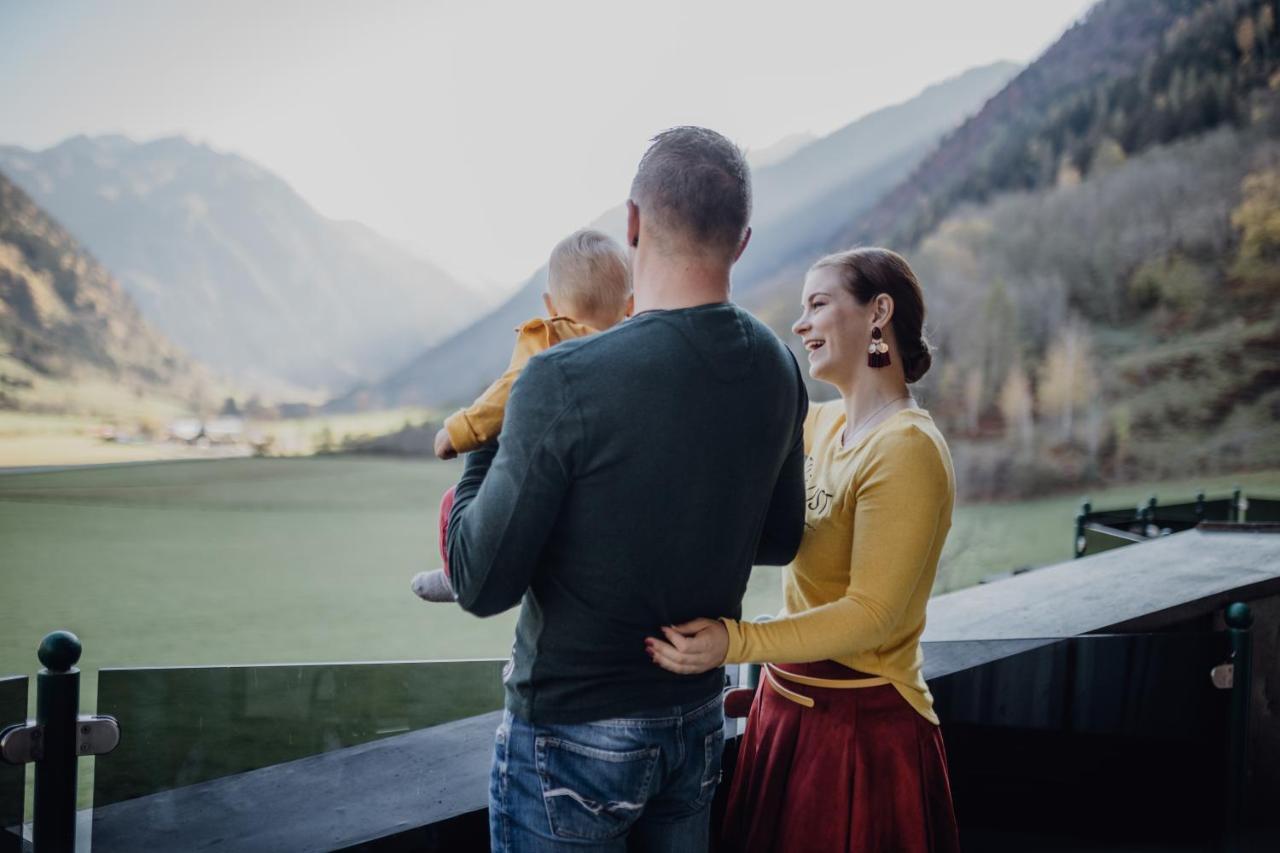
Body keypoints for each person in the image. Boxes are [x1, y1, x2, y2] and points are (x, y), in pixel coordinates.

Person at [445, 126, 808, 852]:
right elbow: (779, 537)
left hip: (572, 734)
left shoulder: (560, 379)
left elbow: (478, 580)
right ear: (740, 241)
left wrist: (490, 420)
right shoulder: (778, 365)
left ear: (634, 223)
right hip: (698, 721)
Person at [646, 248, 961, 852]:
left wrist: (734, 641)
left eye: (818, 304)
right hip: (785, 712)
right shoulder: (820, 425)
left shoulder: (907, 448)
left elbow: (873, 615)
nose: (800, 324)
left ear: (879, 313)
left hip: (860, 736)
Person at [411, 228, 633, 602]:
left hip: (544, 481)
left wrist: (453, 433)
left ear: (550, 305)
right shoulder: (638, 348)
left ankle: (457, 573)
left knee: (457, 500)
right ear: (631, 305)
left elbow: (503, 395)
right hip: (604, 494)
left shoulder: (547, 340)